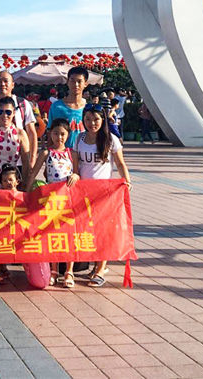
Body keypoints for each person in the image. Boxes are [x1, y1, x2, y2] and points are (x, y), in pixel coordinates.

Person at [74, 104, 131, 287]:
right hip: (83, 193)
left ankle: (100, 269)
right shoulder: (79, 139)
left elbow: (120, 163)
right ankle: (95, 264)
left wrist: (126, 181)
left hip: (104, 194)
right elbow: (76, 167)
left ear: (103, 120)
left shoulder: (111, 139)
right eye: (88, 119)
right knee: (87, 230)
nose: (92, 123)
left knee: (103, 231)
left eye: (96, 119)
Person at [27, 120, 80, 288]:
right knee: (52, 234)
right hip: (51, 200)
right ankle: (54, 269)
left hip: (68, 199)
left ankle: (69, 271)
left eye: (63, 134)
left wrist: (76, 176)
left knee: (69, 234)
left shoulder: (72, 154)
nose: (59, 137)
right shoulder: (46, 153)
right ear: (50, 134)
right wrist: (26, 194)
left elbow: (77, 173)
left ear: (68, 135)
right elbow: (33, 173)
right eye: (56, 133)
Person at [0, 72, 37, 166]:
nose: (2, 84)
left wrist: (32, 160)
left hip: (18, 163)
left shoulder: (22, 104)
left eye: (6, 81)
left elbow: (31, 133)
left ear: (13, 85)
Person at [48, 67, 89, 150]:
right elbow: (50, 132)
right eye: (72, 81)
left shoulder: (88, 108)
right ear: (67, 82)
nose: (76, 84)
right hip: (64, 155)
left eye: (79, 81)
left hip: (84, 154)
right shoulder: (56, 107)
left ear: (85, 83)